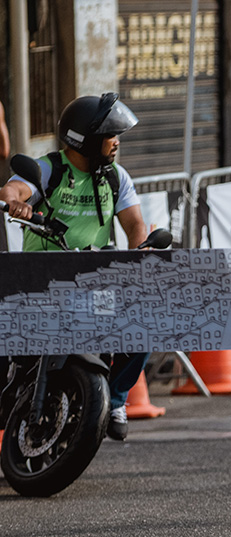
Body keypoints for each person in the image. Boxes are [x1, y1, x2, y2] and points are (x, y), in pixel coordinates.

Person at [0, 93, 148, 441]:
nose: (116, 143)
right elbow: (15, 188)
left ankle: (115, 399)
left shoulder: (115, 177)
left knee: (144, 324)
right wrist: (15, 203)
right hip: (41, 283)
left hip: (93, 283)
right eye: (111, 136)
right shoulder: (51, 169)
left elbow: (135, 225)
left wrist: (138, 254)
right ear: (88, 140)